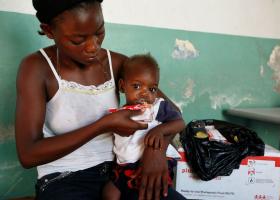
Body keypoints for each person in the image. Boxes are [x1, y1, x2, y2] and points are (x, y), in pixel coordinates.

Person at [15, 0, 185, 199]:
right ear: (49, 31)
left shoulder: (117, 63)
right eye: (78, 40)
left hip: (121, 173)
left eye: (99, 32)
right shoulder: (37, 68)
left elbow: (171, 113)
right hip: (64, 179)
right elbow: (28, 154)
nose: (93, 47)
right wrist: (102, 125)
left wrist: (156, 151)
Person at [102, 54, 186, 200]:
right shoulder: (120, 114)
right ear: (122, 86)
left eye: (152, 89)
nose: (145, 93)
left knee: (152, 192)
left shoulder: (157, 107)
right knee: (109, 193)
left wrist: (159, 130)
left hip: (152, 164)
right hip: (124, 167)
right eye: (137, 86)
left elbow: (180, 123)